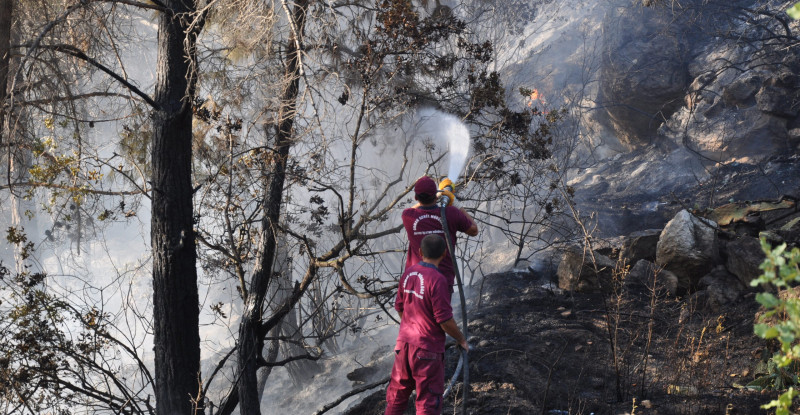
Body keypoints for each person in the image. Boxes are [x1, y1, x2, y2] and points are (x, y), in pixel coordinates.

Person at [385, 234, 469, 415]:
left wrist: (411, 327)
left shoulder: (408, 273)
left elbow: (399, 307)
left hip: (403, 347)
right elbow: (444, 320)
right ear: (445, 254)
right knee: (428, 403)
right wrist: (461, 339)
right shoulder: (438, 280)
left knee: (396, 397)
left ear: (420, 252)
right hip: (426, 351)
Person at [402, 176, 478, 292]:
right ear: (434, 194)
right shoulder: (451, 213)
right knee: (441, 310)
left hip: (416, 281)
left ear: (415, 197)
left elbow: (413, 209)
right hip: (443, 281)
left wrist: (437, 195)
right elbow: (474, 230)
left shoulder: (408, 216)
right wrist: (455, 203)